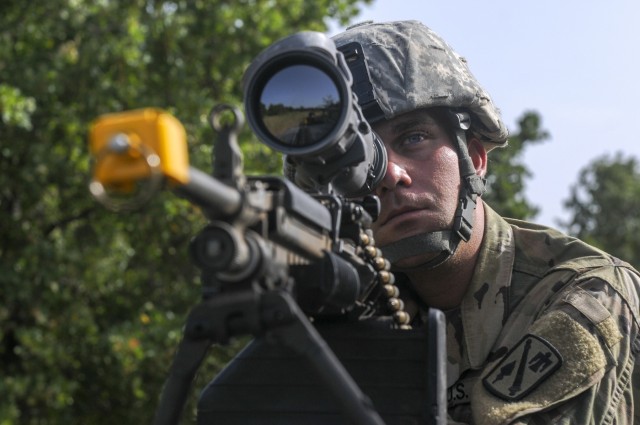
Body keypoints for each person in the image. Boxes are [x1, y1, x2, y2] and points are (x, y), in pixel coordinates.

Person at [327, 20, 640, 424]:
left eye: (413, 139)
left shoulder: (589, 297)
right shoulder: (360, 303)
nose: (391, 176)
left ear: (473, 158)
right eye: (361, 160)